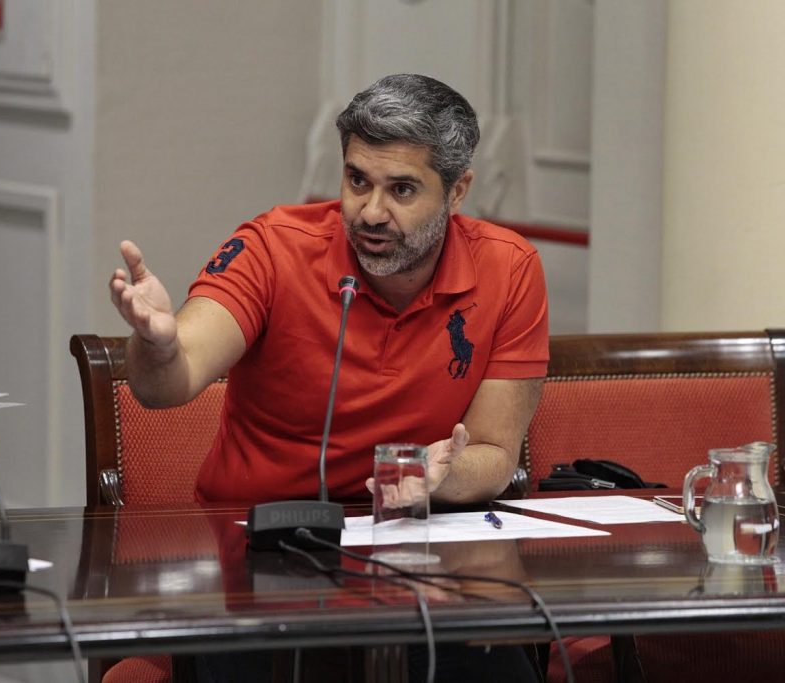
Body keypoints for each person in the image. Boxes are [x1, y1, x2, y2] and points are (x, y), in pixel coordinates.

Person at [109, 74, 547, 682]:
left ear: (457, 192)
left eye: (402, 189)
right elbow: (167, 384)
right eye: (357, 180)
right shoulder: (273, 247)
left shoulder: (509, 268)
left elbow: (495, 453)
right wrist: (156, 345)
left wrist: (438, 477)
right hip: (261, 556)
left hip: (416, 553)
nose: (371, 212)